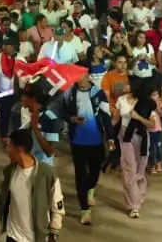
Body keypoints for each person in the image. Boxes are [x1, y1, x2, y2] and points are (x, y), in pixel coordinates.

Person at [60, 70, 115, 225]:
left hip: (96, 140)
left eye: (80, 75)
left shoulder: (98, 94)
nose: (77, 78)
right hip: (77, 142)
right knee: (80, 175)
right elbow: (62, 111)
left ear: (88, 75)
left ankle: (91, 188)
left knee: (95, 171)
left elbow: (106, 116)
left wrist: (110, 137)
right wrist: (72, 119)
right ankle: (85, 210)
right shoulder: (69, 93)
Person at [0, 128, 64, 242]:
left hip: (35, 238)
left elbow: (57, 205)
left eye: (9, 146)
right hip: (13, 236)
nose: (7, 150)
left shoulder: (46, 173)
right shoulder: (9, 171)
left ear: (19, 149)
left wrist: (54, 233)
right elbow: (2, 201)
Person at [116, 82, 156, 219]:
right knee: (129, 169)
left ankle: (139, 195)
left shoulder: (146, 102)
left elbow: (152, 124)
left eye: (128, 84)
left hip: (141, 136)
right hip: (125, 137)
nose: (125, 86)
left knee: (140, 169)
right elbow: (115, 120)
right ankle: (134, 205)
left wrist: (137, 117)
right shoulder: (121, 100)